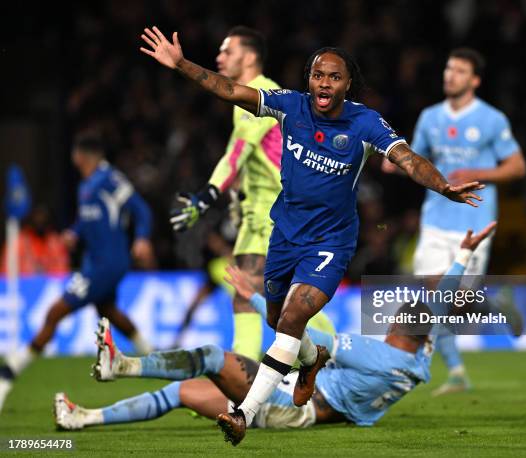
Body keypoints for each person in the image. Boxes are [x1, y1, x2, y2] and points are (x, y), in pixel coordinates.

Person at [139, 26, 484, 445]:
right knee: (276, 320)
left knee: (290, 319)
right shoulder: (290, 106)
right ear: (309, 80)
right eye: (319, 75)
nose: (325, 83)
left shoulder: (365, 122)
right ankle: (312, 360)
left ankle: (243, 414)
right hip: (284, 234)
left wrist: (442, 185)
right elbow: (230, 90)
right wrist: (180, 64)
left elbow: (407, 159)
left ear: (346, 84)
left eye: (334, 77)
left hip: (331, 242)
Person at [53, 221, 496, 434]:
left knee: (211, 358)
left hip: (290, 406)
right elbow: (437, 308)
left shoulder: (379, 354)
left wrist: (254, 291)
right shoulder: (419, 353)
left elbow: (301, 331)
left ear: (402, 326)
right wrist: (462, 256)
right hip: (297, 397)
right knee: (179, 393)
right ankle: (84, 417)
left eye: (398, 316)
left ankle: (120, 365)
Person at [384, 48, 526, 395]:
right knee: (436, 297)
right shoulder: (430, 117)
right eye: (449, 69)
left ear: (474, 80)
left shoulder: (492, 119)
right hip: (435, 220)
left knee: (459, 302)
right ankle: (457, 373)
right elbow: (415, 160)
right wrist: (394, 162)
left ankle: (495, 305)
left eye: (460, 71)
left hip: (474, 221)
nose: (450, 75)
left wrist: (477, 171)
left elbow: (517, 167)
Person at [0, 133, 154, 412]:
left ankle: (9, 372)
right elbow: (86, 219)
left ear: (80, 156)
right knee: (108, 311)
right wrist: (74, 232)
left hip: (107, 263)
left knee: (55, 313)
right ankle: (152, 354)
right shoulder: (86, 185)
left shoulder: (110, 179)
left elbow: (141, 210)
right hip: (95, 263)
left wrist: (141, 237)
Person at [171, 26, 290, 359]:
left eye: (227, 51)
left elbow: (236, 154)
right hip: (259, 214)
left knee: (269, 300)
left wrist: (206, 197)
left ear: (249, 57)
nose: (219, 57)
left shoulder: (263, 95)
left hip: (276, 212)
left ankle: (336, 351)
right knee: (252, 296)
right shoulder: (249, 96)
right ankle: (243, 379)